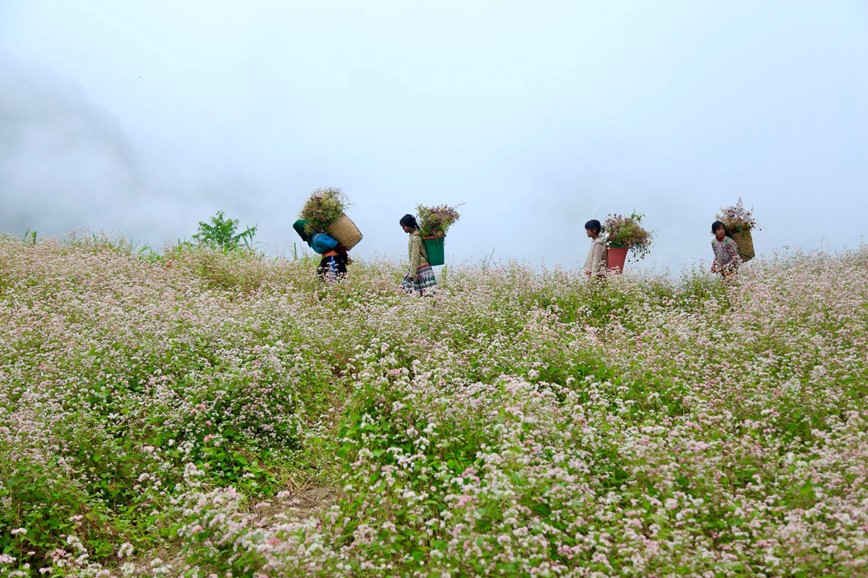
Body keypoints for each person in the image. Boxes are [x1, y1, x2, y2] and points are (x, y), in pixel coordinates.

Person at [399, 214, 437, 295]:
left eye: (404, 226)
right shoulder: (413, 236)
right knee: (423, 294)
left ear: (409, 225)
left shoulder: (415, 238)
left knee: (426, 294)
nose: (403, 229)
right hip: (419, 268)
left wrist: (411, 275)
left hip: (421, 269)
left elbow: (415, 256)